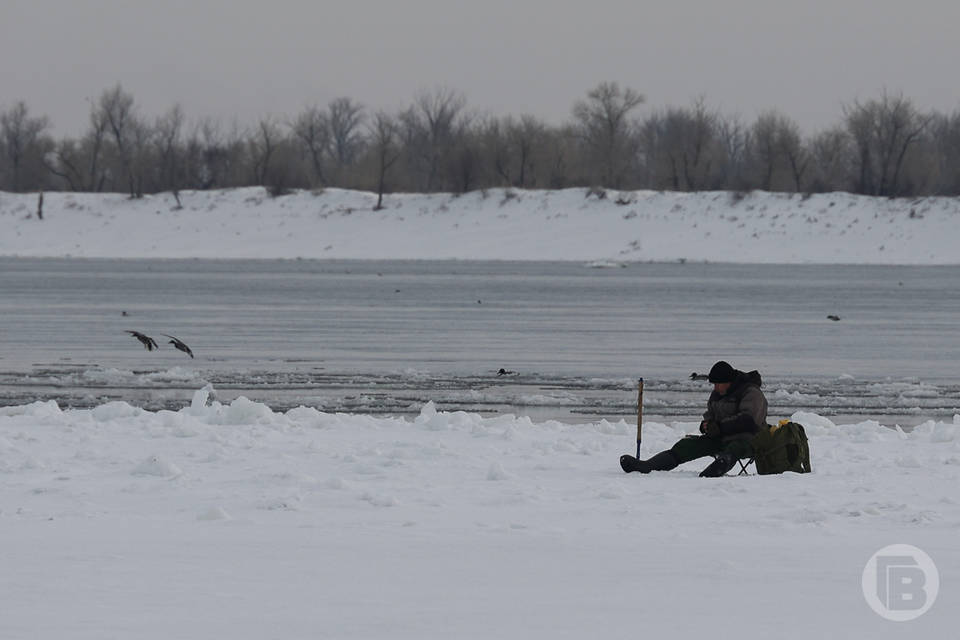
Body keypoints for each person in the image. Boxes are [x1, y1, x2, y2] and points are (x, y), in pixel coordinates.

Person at [620, 360, 768, 477]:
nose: (715, 388)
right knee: (686, 445)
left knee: (734, 448)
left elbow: (748, 420)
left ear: (728, 381)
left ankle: (713, 472)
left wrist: (720, 427)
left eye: (718, 384)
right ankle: (647, 466)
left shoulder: (751, 392)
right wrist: (706, 425)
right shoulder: (718, 393)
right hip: (722, 438)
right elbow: (710, 414)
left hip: (750, 440)